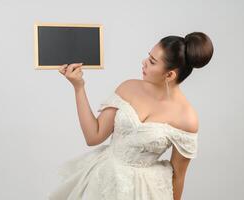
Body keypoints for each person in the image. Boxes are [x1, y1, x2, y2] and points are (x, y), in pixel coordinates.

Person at [48, 32, 214, 200]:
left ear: (169, 75)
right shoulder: (128, 87)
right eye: (148, 56)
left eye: (152, 62)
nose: (144, 62)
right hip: (104, 180)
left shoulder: (187, 118)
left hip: (145, 192)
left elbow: (178, 176)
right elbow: (93, 136)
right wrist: (79, 87)